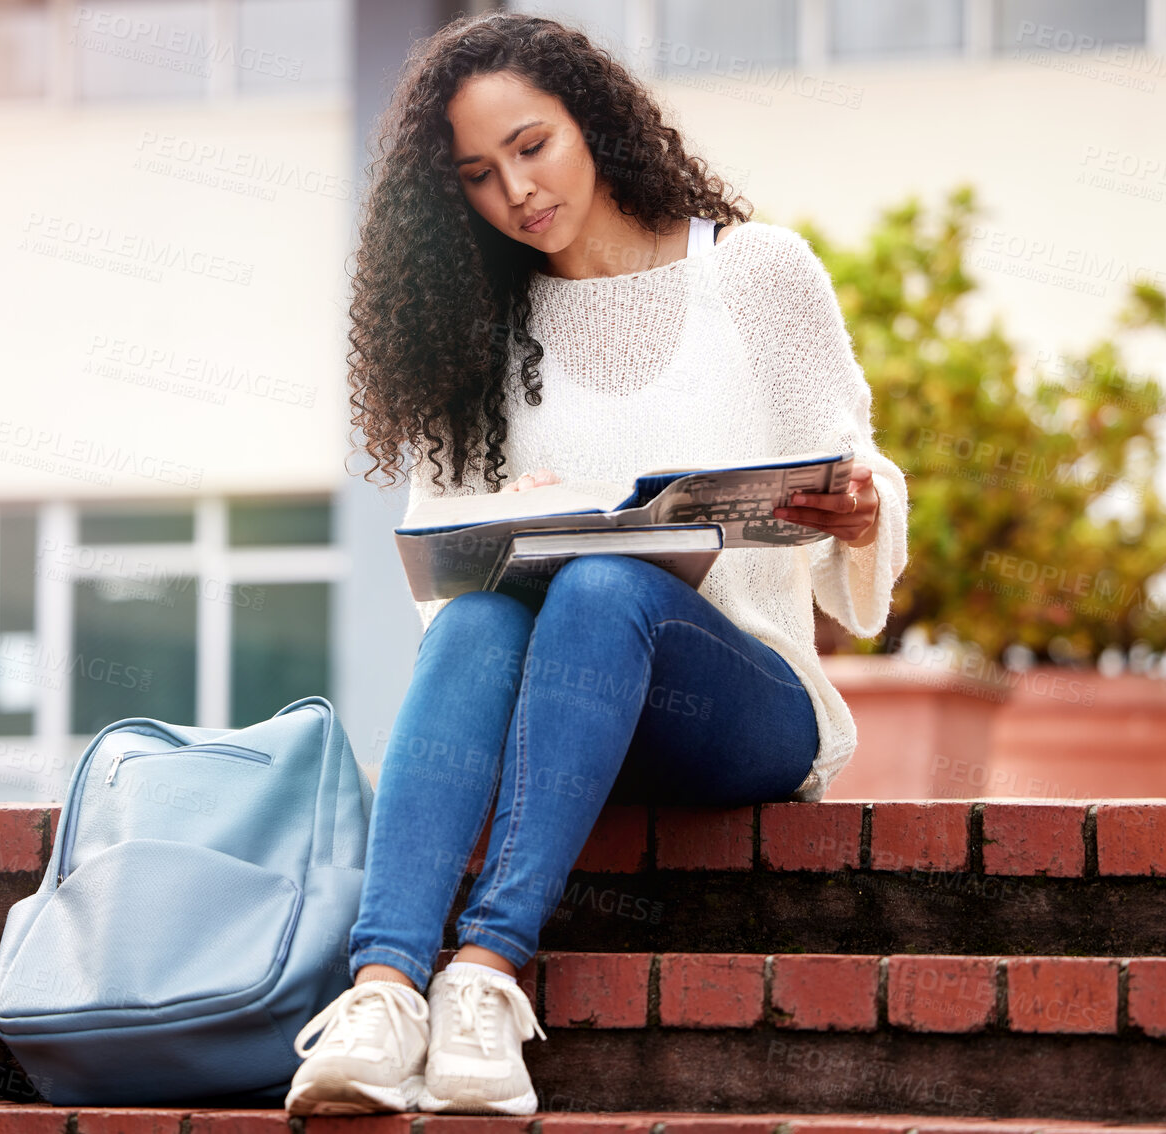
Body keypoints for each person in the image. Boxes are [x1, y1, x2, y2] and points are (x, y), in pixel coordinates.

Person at [285, 10, 907, 1117]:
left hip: (739, 705)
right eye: (477, 175)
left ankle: (483, 977)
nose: (515, 190)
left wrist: (858, 514)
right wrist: (504, 524)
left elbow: (851, 470)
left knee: (611, 583)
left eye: (531, 146)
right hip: (562, 712)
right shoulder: (470, 328)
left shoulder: (755, 274)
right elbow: (441, 581)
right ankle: (384, 995)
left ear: (594, 121)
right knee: (484, 618)